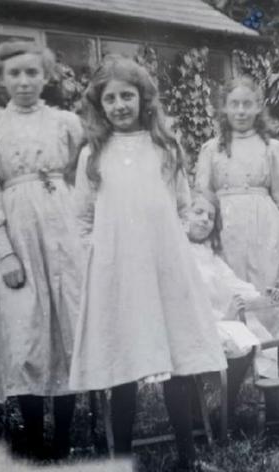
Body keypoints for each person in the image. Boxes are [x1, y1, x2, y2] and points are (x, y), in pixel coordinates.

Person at [69, 55, 225, 470]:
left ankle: (187, 457)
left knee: (176, 361)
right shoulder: (92, 155)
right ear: (100, 105)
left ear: (144, 99)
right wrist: (103, 260)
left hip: (164, 268)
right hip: (117, 273)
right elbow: (82, 219)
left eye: (128, 96)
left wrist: (168, 252)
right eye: (111, 99)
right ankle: (122, 459)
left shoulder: (165, 148)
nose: (120, 105)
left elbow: (182, 205)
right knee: (124, 363)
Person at [0, 41, 84, 460]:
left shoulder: (66, 123)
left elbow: (85, 174)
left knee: (68, 327)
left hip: (65, 232)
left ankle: (64, 440)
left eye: (32, 73)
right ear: (1, 80)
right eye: (14, 74)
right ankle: (36, 441)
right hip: (19, 236)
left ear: (46, 76)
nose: (23, 82)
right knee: (27, 333)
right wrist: (5, 252)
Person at [194, 77, 279, 338]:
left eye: (247, 104)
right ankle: (237, 354)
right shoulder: (211, 150)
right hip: (226, 231)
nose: (241, 111)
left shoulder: (272, 148)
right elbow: (203, 195)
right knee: (231, 287)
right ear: (224, 108)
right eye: (234, 104)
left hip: (264, 230)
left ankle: (270, 356)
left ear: (259, 107)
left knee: (266, 284)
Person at [181, 194, 272, 417]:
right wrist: (224, 318)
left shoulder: (208, 255)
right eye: (199, 212)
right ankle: (207, 411)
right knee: (239, 340)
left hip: (219, 320)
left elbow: (234, 284)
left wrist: (268, 296)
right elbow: (187, 300)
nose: (205, 220)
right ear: (183, 215)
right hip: (192, 322)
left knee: (258, 337)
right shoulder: (178, 253)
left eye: (211, 217)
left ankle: (235, 407)